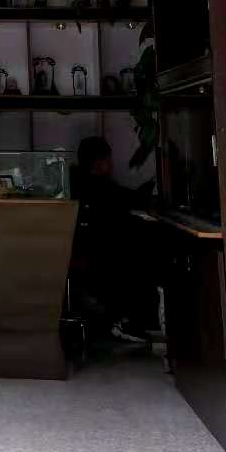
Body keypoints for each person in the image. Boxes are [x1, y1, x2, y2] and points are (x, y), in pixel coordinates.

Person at [70, 136, 158, 345]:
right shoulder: (101, 188)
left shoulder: (82, 183)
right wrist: (155, 183)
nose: (111, 163)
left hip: (89, 250)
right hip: (99, 255)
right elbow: (132, 199)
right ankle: (126, 321)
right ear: (98, 162)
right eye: (108, 159)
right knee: (140, 257)